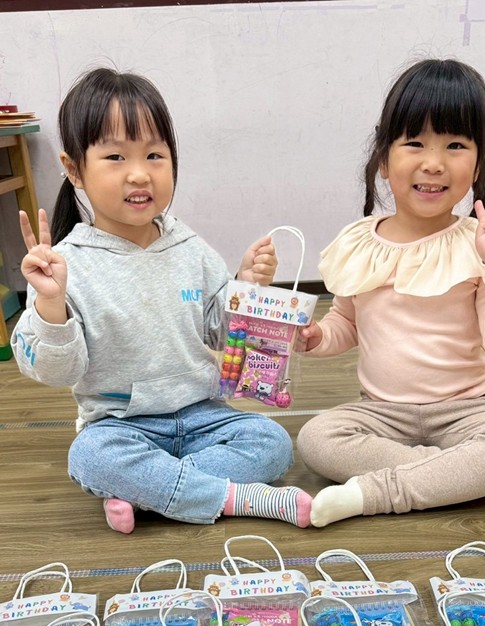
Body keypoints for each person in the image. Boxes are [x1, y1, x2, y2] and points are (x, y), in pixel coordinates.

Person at [12, 67, 312, 534]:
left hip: (204, 416)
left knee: (271, 441)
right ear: (74, 169)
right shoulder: (62, 265)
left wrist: (246, 287)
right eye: (115, 156)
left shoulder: (189, 247)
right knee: (90, 455)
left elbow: (221, 332)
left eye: (155, 155)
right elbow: (58, 372)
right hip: (121, 426)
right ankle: (234, 498)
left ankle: (148, 494)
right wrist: (51, 308)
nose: (139, 174)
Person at [296, 58, 485, 528]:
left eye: (455, 145)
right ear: (383, 157)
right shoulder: (360, 242)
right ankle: (472, 477)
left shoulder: (478, 244)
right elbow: (347, 322)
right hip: (381, 414)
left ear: (480, 161)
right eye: (414, 143)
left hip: (470, 410)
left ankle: (376, 493)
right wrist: (317, 337)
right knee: (317, 438)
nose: (433, 163)